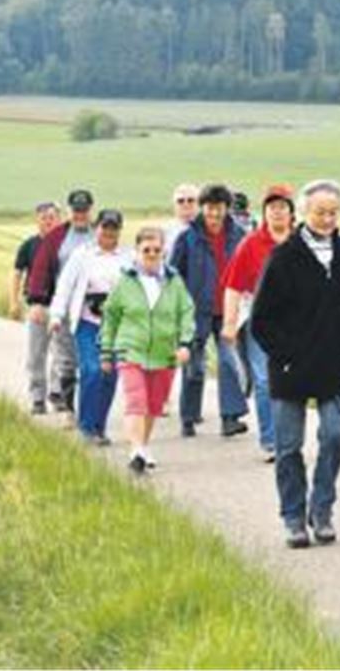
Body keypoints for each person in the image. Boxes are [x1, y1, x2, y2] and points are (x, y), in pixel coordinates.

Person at [251, 179, 340, 549]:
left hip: (336, 365)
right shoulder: (283, 257)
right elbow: (261, 319)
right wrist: (288, 353)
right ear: (304, 213)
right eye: (320, 212)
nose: (326, 219)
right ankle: (293, 518)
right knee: (288, 446)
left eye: (333, 212)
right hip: (290, 368)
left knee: (336, 435)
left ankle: (321, 509)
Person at [101, 227, 195, 473]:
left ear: (164, 252)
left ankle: (143, 446)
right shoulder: (125, 282)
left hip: (164, 353)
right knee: (136, 401)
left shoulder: (175, 282)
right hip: (130, 349)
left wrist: (185, 343)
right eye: (146, 250)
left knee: (153, 405)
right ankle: (135, 450)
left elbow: (186, 313)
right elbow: (110, 317)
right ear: (137, 252)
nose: (151, 254)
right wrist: (106, 351)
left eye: (157, 250)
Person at [222, 184, 296, 463]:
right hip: (261, 317)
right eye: (272, 207)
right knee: (265, 379)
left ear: (291, 212)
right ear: (264, 212)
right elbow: (233, 285)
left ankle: (291, 436)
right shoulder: (251, 243)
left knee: (292, 380)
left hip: (298, 319)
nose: (277, 212)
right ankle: (271, 440)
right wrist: (230, 323)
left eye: (282, 207)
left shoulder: (303, 240)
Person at [169, 183, 249, 438]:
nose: (214, 215)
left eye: (220, 209)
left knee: (228, 362)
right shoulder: (188, 237)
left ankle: (230, 418)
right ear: (202, 209)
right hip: (195, 312)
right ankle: (189, 417)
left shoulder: (238, 235)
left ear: (227, 209)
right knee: (195, 368)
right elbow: (173, 277)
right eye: (210, 209)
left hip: (227, 310)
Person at [49, 209, 132, 445]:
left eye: (113, 228)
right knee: (92, 370)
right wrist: (56, 315)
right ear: (97, 228)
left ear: (119, 230)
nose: (108, 232)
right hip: (88, 321)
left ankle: (99, 426)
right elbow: (65, 286)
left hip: (117, 324)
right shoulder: (82, 255)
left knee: (109, 375)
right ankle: (86, 427)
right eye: (104, 227)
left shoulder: (127, 257)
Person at [27, 189, 96, 421]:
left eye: (84, 210)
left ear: (91, 210)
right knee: (66, 360)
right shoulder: (56, 237)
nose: (80, 215)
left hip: (94, 308)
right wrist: (37, 301)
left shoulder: (99, 234)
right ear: (69, 211)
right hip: (64, 306)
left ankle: (89, 408)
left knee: (91, 361)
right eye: (76, 210)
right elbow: (40, 269)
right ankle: (68, 409)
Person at [12, 201, 63, 415]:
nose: (48, 220)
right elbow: (17, 273)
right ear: (37, 220)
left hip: (62, 307)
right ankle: (37, 398)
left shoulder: (66, 245)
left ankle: (58, 393)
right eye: (44, 217)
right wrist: (14, 302)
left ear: (58, 219)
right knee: (36, 355)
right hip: (38, 306)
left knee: (62, 354)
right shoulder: (29, 245)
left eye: (52, 216)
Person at [163, 183, 200, 259]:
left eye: (190, 200)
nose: (186, 204)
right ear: (174, 205)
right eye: (180, 201)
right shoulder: (164, 231)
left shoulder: (208, 228)